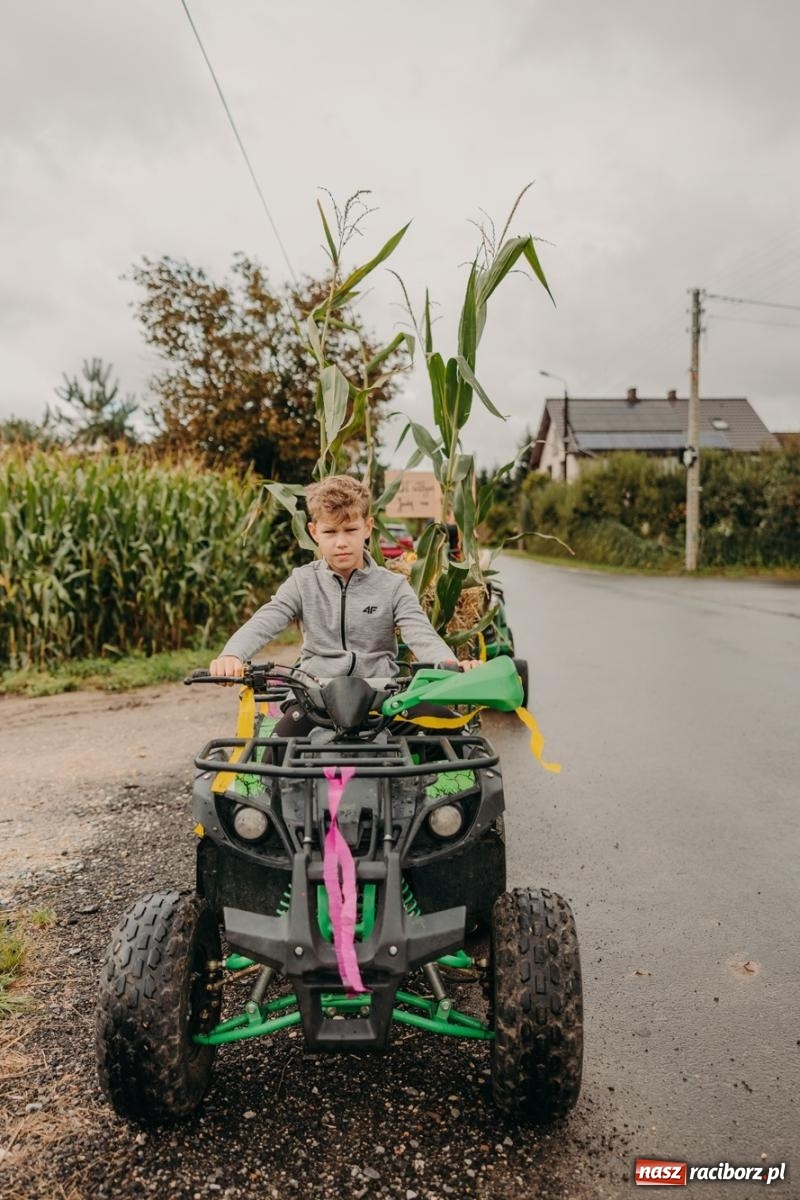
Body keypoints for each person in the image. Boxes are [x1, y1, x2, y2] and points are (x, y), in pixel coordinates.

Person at [209, 475, 478, 733]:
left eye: (350, 530)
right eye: (330, 531)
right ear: (314, 532)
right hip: (314, 698)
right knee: (276, 755)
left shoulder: (393, 586)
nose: (341, 542)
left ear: (368, 527)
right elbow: (266, 620)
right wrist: (232, 655)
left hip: (383, 698)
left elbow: (420, 633)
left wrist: (450, 664)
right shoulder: (302, 582)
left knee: (454, 733)